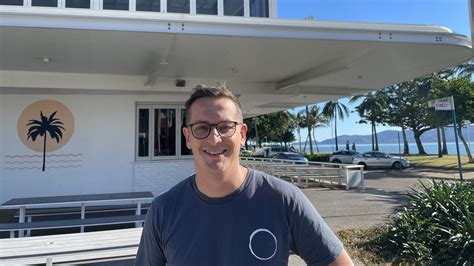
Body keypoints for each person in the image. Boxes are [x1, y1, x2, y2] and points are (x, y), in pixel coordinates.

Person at [135, 84, 353, 266]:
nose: (214, 139)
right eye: (201, 128)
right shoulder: (163, 210)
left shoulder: (283, 199)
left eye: (225, 127)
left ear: (242, 134)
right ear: (188, 137)